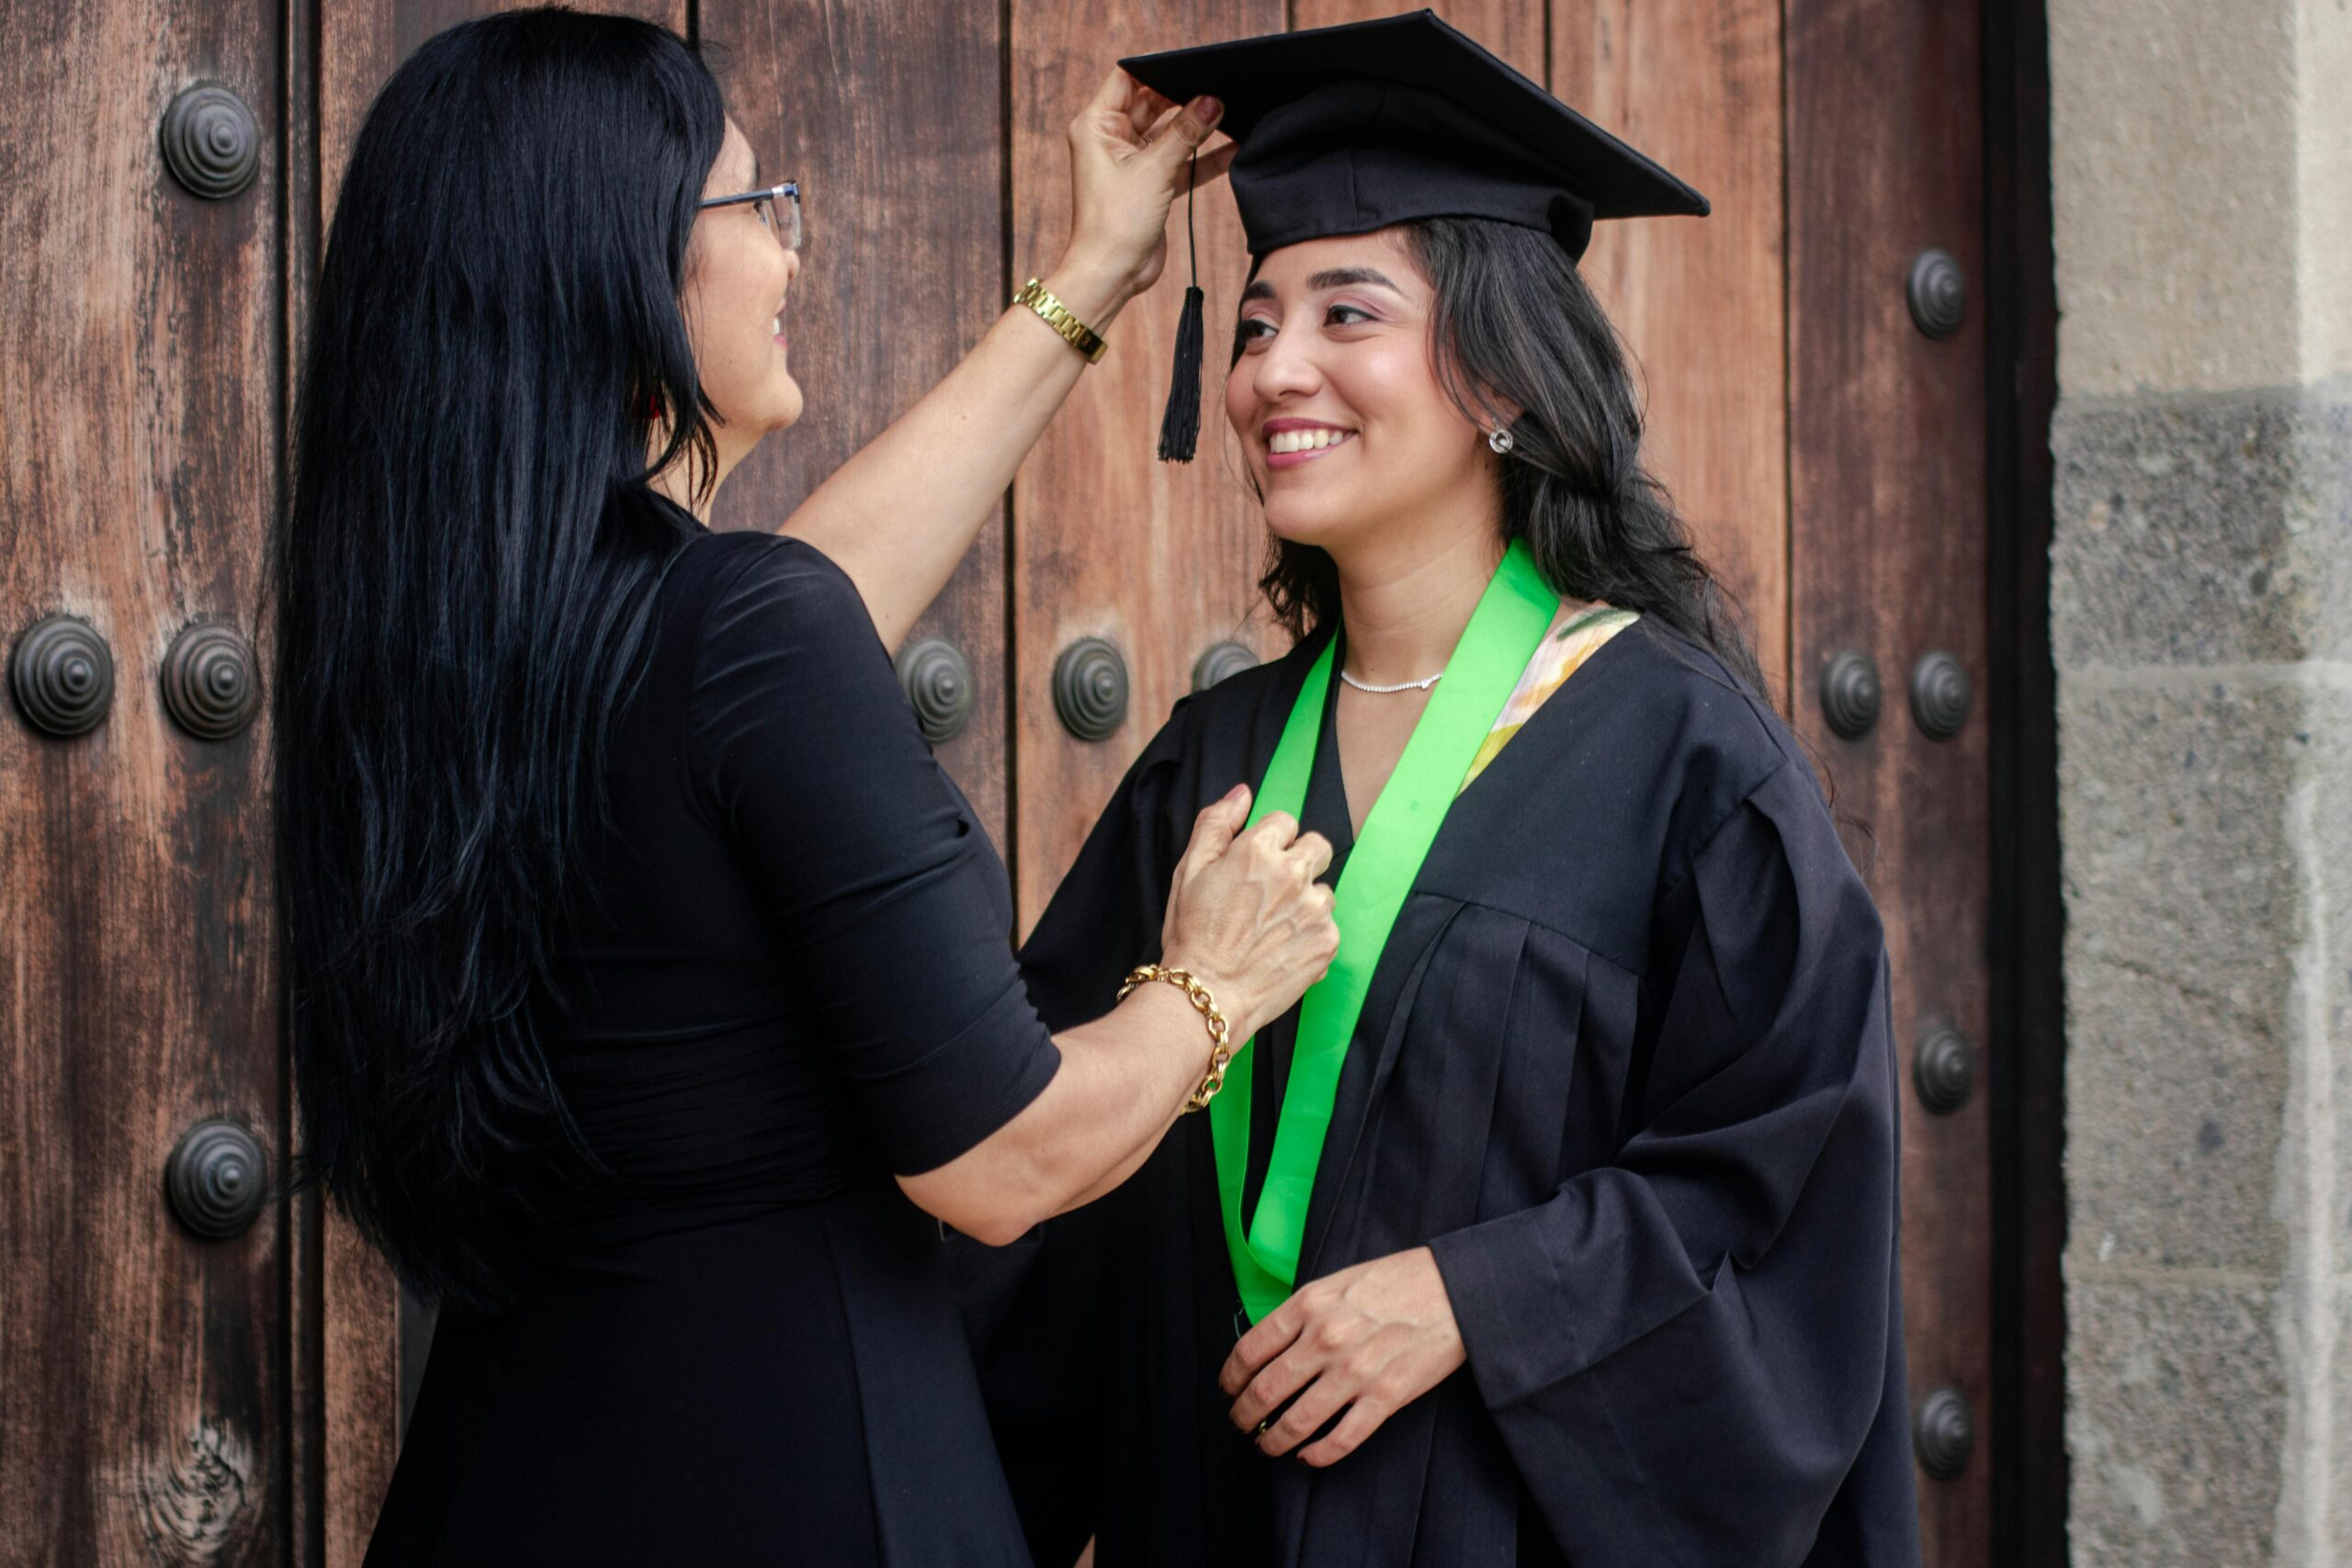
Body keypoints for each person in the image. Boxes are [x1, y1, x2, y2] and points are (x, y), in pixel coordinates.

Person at [271, 10, 1339, 1564]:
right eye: (755, 207)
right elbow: (1004, 1161)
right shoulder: (729, 640)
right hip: (802, 1484)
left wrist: (1097, 275)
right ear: (624, 261)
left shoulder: (454, 642)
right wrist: (1212, 987)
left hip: (505, 1479)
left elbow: (800, 611)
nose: (789, 250)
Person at [963, 13, 1922, 1566]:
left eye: (1350, 314)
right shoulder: (1207, 766)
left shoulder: (1687, 760)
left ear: (1495, 370)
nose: (1278, 368)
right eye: (1259, 321)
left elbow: (1782, 1192)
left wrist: (1472, 1297)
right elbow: (1051, 1205)